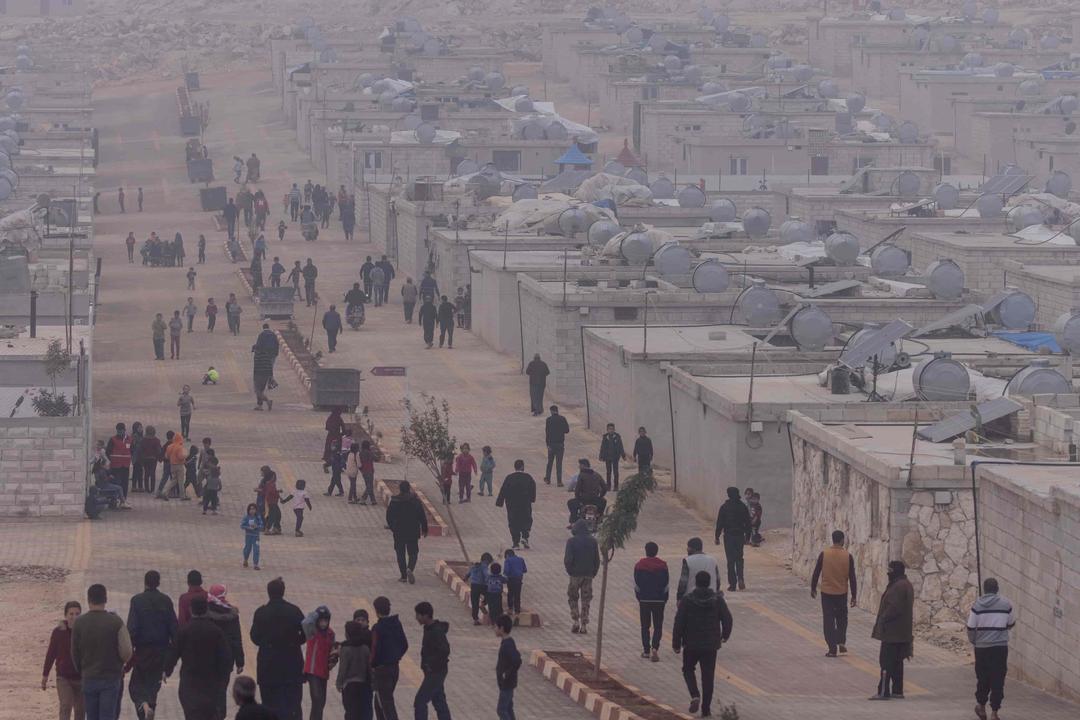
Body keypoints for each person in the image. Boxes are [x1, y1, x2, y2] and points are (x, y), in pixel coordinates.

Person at [672, 570, 734, 718]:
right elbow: (728, 619)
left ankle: (694, 695)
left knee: (688, 669)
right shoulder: (717, 600)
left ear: (696, 583)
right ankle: (706, 709)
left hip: (691, 643)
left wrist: (676, 643)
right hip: (711, 645)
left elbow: (679, 622)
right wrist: (724, 636)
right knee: (708, 676)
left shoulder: (687, 600)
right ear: (709, 582)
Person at [71, 583, 133, 720]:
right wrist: (119, 664)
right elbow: (127, 651)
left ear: (88, 600)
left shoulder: (79, 623)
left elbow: (74, 652)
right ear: (105, 599)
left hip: (89, 676)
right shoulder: (116, 622)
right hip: (111, 677)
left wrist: (81, 669)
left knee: (91, 716)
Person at [165, 595, 233, 720]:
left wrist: (166, 671)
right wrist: (222, 680)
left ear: (191, 610)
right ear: (207, 610)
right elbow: (226, 659)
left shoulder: (184, 631)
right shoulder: (216, 632)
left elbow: (173, 654)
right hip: (210, 685)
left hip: (189, 684)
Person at [250, 577, 306, 719]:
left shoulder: (261, 612)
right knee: (293, 705)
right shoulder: (294, 611)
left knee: (269, 706)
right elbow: (304, 635)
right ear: (283, 592)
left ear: (268, 592)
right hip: (291, 667)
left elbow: (254, 637)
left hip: (268, 667)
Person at [127, 570, 178, 720]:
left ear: (145, 582)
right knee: (153, 687)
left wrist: (129, 652)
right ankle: (149, 707)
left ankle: (143, 707)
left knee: (135, 687)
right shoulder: (166, 600)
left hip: (143, 651)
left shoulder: (137, 600)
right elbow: (174, 628)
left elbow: (132, 629)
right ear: (158, 583)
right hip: (161, 652)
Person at [967, 578, 1015, 720]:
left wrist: (975, 641)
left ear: (984, 589)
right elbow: (1011, 623)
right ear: (997, 589)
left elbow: (970, 627)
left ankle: (981, 706)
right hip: (1000, 648)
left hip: (982, 648)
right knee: (998, 677)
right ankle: (994, 712)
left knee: (983, 677)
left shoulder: (977, 606)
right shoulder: (1006, 604)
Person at [869, 560, 914, 701]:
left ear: (894, 572)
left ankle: (883, 691)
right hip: (902, 633)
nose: (888, 573)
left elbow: (894, 608)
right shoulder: (905, 584)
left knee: (886, 662)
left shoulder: (898, 587)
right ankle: (897, 690)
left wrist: (883, 619)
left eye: (890, 571)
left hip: (892, 633)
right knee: (897, 662)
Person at [810, 530, 858, 657]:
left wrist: (813, 588)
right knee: (842, 618)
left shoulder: (824, 554)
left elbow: (816, 572)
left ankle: (832, 648)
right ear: (842, 540)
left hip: (827, 593)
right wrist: (854, 595)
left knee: (828, 620)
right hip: (841, 593)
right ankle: (841, 640)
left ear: (833, 539)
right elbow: (852, 577)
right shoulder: (848, 556)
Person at [207, 585, 246, 718]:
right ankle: (220, 714)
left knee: (207, 688)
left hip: (208, 658)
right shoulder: (232, 614)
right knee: (221, 689)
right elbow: (236, 639)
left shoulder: (205, 612)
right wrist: (240, 661)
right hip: (226, 659)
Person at [42, 600, 84, 720]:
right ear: (66, 615)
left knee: (81, 710)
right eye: (71, 614)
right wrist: (45, 675)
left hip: (82, 677)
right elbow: (51, 654)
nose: (74, 617)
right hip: (64, 677)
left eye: (77, 614)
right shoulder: (58, 632)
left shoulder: (85, 631)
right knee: (66, 705)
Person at [371, 596, 408, 720]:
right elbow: (404, 645)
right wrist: (395, 657)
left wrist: (372, 665)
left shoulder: (377, 628)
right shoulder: (396, 623)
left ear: (376, 610)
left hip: (382, 671)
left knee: (386, 705)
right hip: (394, 668)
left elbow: (374, 651)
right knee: (379, 703)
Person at [413, 602, 451, 720]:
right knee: (439, 701)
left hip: (436, 672)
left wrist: (430, 664)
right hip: (432, 671)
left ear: (426, 615)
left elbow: (445, 651)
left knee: (420, 702)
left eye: (418, 615)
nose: (416, 618)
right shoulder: (428, 628)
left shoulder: (436, 631)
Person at [386, 481, 428, 584]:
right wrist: (424, 529)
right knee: (413, 552)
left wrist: (393, 528)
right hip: (412, 531)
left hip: (399, 531)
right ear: (409, 488)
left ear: (400, 489)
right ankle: (410, 568)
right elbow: (422, 516)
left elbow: (389, 516)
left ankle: (403, 576)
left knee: (400, 553)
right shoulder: (415, 501)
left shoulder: (395, 501)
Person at [635, 541, 670, 662]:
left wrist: (639, 597)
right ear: (656, 551)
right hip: (659, 600)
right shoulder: (663, 565)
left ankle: (646, 650)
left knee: (645, 626)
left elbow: (636, 585)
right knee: (658, 626)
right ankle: (655, 647)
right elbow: (666, 584)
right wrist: (664, 598)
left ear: (646, 551)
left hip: (644, 599)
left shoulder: (639, 565)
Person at [564, 519, 601, 634]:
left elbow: (568, 560)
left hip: (575, 575)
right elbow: (597, 560)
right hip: (588, 575)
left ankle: (575, 620)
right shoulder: (593, 541)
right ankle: (584, 624)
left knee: (573, 597)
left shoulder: (571, 542)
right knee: (586, 599)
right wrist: (593, 573)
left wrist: (570, 571)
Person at [714, 486, 751, 591]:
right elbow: (747, 523)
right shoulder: (743, 507)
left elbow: (719, 523)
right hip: (740, 536)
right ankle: (741, 578)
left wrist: (717, 537)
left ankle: (733, 584)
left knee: (730, 560)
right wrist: (747, 537)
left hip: (729, 536)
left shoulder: (724, 507)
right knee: (739, 558)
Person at [337, 619, 373, 720]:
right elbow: (369, 668)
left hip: (349, 686)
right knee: (362, 712)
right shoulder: (365, 648)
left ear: (348, 634)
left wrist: (339, 683)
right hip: (363, 684)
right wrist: (373, 683)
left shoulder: (346, 649)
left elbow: (343, 669)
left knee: (350, 713)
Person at [303, 607, 336, 720]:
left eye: (325, 621)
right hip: (312, 672)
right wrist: (315, 614)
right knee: (317, 700)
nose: (323, 623)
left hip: (323, 672)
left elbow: (333, 651)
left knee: (321, 703)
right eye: (321, 620)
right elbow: (305, 622)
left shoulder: (331, 634)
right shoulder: (312, 631)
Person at [676, 537, 721, 602]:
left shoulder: (688, 561)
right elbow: (718, 581)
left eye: (688, 547)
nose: (687, 549)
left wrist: (679, 597)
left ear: (691, 548)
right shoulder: (712, 560)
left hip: (692, 598)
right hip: (711, 598)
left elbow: (683, 582)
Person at [494, 614, 520, 720]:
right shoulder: (507, 642)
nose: (494, 629)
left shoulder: (507, 645)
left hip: (507, 683)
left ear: (502, 628)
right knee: (508, 708)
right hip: (506, 683)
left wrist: (506, 674)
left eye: (496, 627)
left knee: (501, 709)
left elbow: (517, 660)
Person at [567, 458, 606, 527]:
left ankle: (573, 520)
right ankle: (599, 518)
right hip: (595, 499)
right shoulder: (597, 475)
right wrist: (600, 496)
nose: (579, 467)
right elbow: (604, 488)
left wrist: (578, 498)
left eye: (580, 465)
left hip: (584, 500)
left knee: (570, 503)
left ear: (584, 465)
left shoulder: (581, 475)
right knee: (603, 502)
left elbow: (577, 490)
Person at [252, 324, 279, 411]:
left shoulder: (257, 357)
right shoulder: (273, 335)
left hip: (258, 375)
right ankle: (259, 406)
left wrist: (254, 376)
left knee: (257, 390)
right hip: (266, 374)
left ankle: (268, 401)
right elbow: (270, 368)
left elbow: (255, 367)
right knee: (261, 390)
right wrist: (270, 377)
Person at [105, 422, 132, 498]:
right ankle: (115, 498)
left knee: (125, 483)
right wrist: (112, 460)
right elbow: (108, 451)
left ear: (124, 430)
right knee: (116, 482)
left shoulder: (129, 439)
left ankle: (124, 498)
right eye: (118, 430)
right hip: (115, 466)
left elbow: (132, 450)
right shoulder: (113, 439)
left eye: (121, 430)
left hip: (125, 465)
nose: (120, 432)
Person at [544, 405, 570, 486]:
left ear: (551, 411)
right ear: (557, 410)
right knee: (559, 463)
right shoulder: (563, 419)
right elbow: (567, 430)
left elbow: (547, 433)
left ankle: (548, 479)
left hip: (551, 444)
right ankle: (559, 481)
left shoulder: (548, 420)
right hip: (560, 444)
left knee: (550, 462)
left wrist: (547, 444)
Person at [598, 423, 626, 491]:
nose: (611, 430)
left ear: (614, 429)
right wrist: (601, 456)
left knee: (615, 472)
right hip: (607, 457)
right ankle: (608, 486)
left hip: (615, 457)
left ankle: (616, 486)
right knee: (608, 472)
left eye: (612, 429)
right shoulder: (605, 437)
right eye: (609, 429)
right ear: (607, 430)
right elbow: (602, 447)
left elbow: (620, 446)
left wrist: (623, 455)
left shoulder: (617, 437)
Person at [467, 553, 493, 625]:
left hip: (474, 585)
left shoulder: (475, 566)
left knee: (474, 602)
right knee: (489, 595)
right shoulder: (484, 566)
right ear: (487, 560)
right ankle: (483, 603)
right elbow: (486, 575)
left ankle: (475, 620)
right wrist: (490, 582)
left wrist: (465, 578)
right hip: (482, 585)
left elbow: (468, 573)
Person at [503, 549, 527, 620]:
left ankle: (510, 608)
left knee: (510, 594)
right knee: (517, 595)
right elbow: (525, 570)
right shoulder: (521, 559)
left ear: (507, 555)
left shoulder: (507, 560)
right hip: (519, 580)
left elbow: (506, 571)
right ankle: (517, 611)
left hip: (511, 580)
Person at [241, 503, 263, 570]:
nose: (252, 510)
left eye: (253, 509)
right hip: (248, 536)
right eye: (250, 509)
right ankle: (245, 559)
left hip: (256, 536)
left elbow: (262, 526)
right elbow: (242, 526)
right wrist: (248, 528)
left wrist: (257, 526)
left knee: (256, 550)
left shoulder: (258, 517)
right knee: (247, 549)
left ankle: (255, 564)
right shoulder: (246, 517)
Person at [358, 440, 377, 505]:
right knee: (370, 486)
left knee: (368, 485)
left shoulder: (361, 453)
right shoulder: (369, 453)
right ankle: (363, 499)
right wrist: (373, 451)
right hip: (369, 470)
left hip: (363, 471)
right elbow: (375, 458)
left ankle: (373, 500)